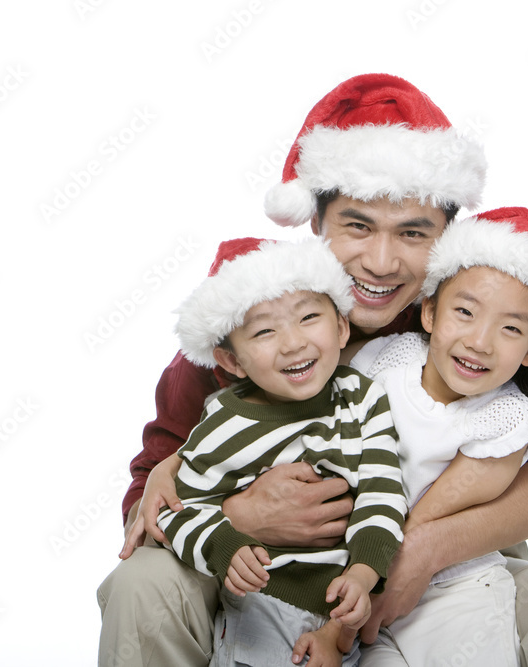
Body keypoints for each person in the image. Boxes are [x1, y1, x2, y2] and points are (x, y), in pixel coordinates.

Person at [98, 73, 528, 667]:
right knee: (143, 585)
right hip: (265, 578)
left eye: (413, 233)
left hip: (450, 579)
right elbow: (146, 507)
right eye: (358, 226)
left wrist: (422, 545)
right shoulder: (247, 328)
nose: (382, 261)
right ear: (317, 224)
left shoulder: (469, 330)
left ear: (446, 237)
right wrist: (243, 515)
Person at [343, 206, 528, 664]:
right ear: (429, 312)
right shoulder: (386, 358)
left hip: (455, 585)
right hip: (355, 567)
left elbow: (431, 516)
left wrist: (382, 564)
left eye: (510, 329)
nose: (480, 341)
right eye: (464, 312)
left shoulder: (508, 417)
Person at [157, 236, 408, 666]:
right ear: (233, 361)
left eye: (309, 317)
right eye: (264, 331)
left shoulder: (364, 399)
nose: (292, 344)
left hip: (354, 607)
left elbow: (383, 494)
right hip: (263, 606)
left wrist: (364, 574)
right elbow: (178, 511)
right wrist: (224, 544)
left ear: (342, 326)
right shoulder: (223, 424)